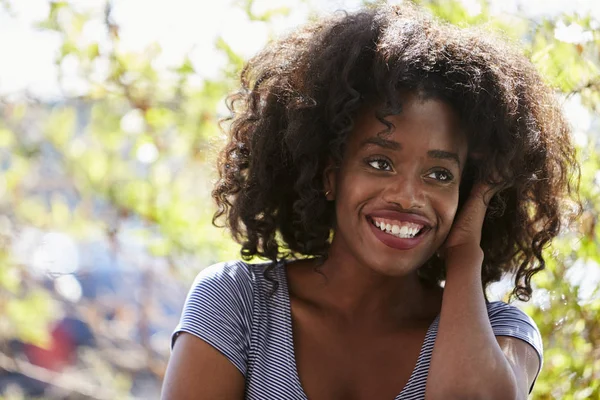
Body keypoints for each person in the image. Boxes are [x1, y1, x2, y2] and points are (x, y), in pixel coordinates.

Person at [161, 3, 578, 399]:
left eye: (439, 174)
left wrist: (466, 252)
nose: (408, 197)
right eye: (380, 162)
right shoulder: (237, 302)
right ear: (330, 175)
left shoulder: (501, 334)